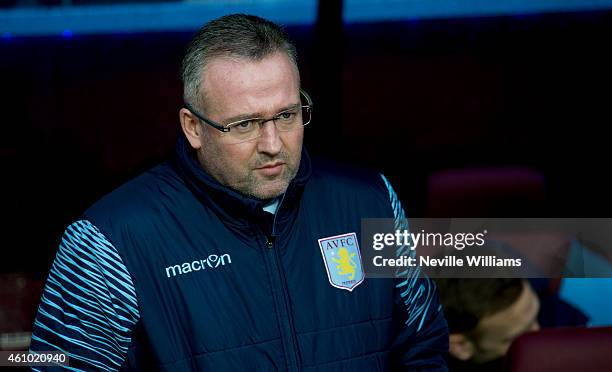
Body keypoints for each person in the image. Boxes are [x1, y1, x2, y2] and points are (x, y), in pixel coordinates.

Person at [29, 14, 449, 371]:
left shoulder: (370, 199)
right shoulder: (108, 240)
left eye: (286, 115)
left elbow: (422, 348)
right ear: (193, 127)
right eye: (244, 124)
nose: (272, 143)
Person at [436, 278, 587, 371]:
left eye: (536, 316)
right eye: (518, 337)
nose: (539, 334)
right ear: (460, 346)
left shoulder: (546, 304)